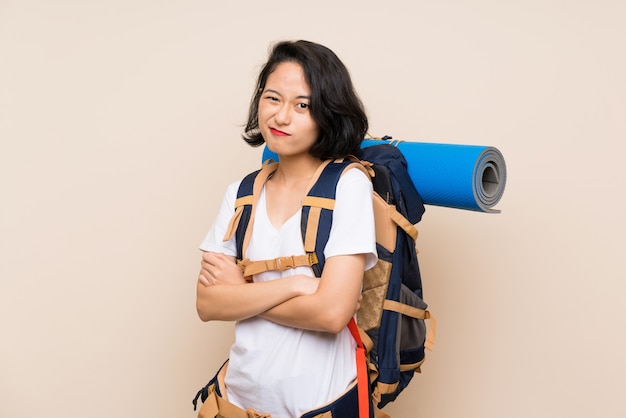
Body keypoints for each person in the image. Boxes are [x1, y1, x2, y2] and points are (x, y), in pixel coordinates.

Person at [195, 40, 377, 418]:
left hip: (319, 405)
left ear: (328, 112)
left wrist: (242, 292)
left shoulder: (348, 186)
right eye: (273, 98)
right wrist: (295, 285)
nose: (281, 117)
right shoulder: (241, 194)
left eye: (303, 105)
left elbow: (331, 314)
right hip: (238, 400)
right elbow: (208, 304)